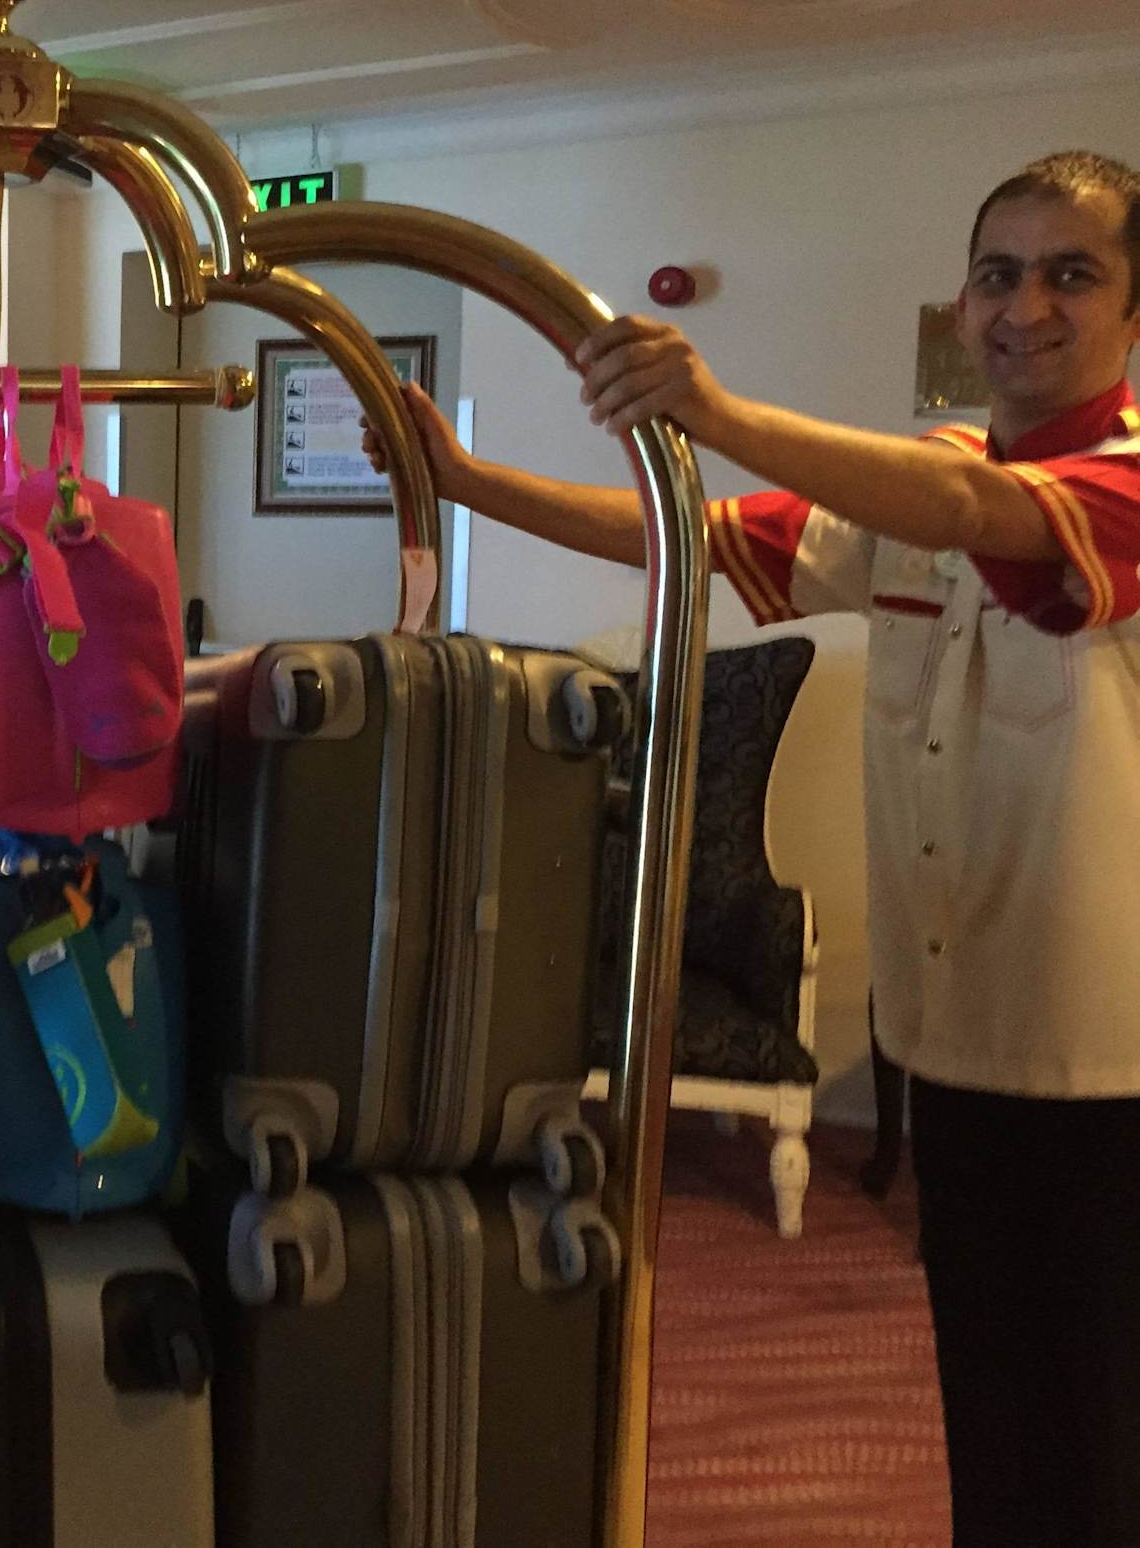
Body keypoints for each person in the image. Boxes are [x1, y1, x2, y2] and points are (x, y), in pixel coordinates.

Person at [364, 151, 1140, 1546]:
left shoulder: (1095, 484)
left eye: (1069, 274)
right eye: (997, 274)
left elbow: (991, 524)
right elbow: (695, 540)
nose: (1024, 306)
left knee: (1101, 1410)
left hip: (1109, 1055)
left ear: (1133, 311)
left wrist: (713, 409)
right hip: (954, 1029)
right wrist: (467, 482)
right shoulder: (923, 482)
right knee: (992, 1391)